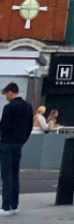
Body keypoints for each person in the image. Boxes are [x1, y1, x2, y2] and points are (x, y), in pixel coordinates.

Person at [0, 83, 35, 216]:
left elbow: (4, 126)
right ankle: (14, 205)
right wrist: (22, 140)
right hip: (19, 143)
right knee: (15, 174)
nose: (6, 97)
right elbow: (30, 126)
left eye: (6, 94)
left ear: (10, 92)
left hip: (7, 143)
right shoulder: (28, 106)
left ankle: (5, 206)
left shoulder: (9, 107)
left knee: (6, 175)